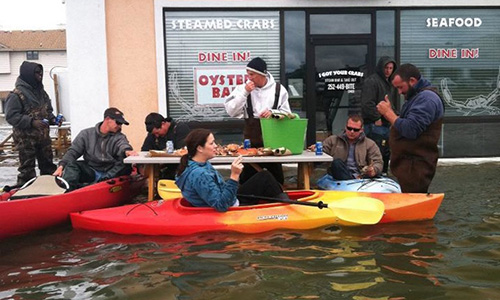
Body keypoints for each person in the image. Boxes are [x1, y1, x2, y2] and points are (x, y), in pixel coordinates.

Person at [175, 128, 287, 212]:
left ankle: (283, 204)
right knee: (265, 178)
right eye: (211, 143)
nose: (216, 146)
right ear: (199, 148)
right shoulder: (200, 174)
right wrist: (234, 176)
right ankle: (287, 209)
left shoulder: (196, 163)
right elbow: (221, 205)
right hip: (230, 206)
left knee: (264, 176)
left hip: (230, 198)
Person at [377, 63, 444, 193]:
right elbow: (406, 123)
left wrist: (388, 113)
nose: (399, 92)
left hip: (416, 167)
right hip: (409, 165)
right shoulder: (417, 97)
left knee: (414, 208)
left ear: (412, 81)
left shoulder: (427, 99)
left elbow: (411, 129)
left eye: (401, 87)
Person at [225, 57, 291, 185]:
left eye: (251, 74)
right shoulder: (242, 89)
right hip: (251, 146)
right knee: (247, 181)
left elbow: (288, 115)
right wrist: (245, 93)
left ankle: (275, 203)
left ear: (262, 74)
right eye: (247, 74)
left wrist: (274, 113)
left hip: (274, 145)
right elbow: (231, 111)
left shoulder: (279, 89)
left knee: (276, 181)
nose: (248, 78)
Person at [53, 107, 138, 190]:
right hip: (92, 170)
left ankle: (99, 184)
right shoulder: (86, 134)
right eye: (118, 123)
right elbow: (73, 151)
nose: (120, 126)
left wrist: (127, 151)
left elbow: (123, 145)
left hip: (112, 172)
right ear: (107, 119)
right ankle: (67, 192)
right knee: (72, 165)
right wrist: (61, 166)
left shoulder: (119, 136)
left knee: (125, 165)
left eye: (121, 124)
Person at [5, 61, 60, 186]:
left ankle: (50, 188)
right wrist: (31, 122)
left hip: (43, 138)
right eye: (36, 73)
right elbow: (11, 116)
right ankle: (24, 191)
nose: (40, 75)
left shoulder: (42, 93)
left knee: (48, 166)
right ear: (28, 74)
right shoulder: (16, 95)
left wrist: (53, 119)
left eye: (41, 73)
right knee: (27, 169)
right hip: (25, 140)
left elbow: (48, 110)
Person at [311, 115, 383, 180]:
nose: (352, 132)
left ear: (361, 130)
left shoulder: (370, 144)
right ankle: (351, 180)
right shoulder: (333, 140)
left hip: (362, 176)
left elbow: (378, 162)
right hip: (340, 174)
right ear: (345, 127)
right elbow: (322, 154)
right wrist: (314, 150)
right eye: (349, 128)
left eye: (355, 130)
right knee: (337, 163)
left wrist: (373, 170)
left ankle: (352, 180)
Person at [361, 56, 398, 174]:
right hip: (374, 126)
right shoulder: (372, 81)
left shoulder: (387, 83)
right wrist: (376, 117)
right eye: (386, 68)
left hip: (385, 125)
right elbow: (367, 104)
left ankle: (382, 175)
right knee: (375, 154)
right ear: (381, 68)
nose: (388, 71)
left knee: (385, 153)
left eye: (391, 68)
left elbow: (389, 105)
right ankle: (375, 176)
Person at [141, 113, 190, 179]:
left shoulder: (180, 128)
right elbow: (144, 150)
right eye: (154, 134)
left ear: (163, 124)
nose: (157, 136)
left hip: (180, 168)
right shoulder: (153, 135)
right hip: (162, 169)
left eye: (157, 133)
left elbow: (182, 150)